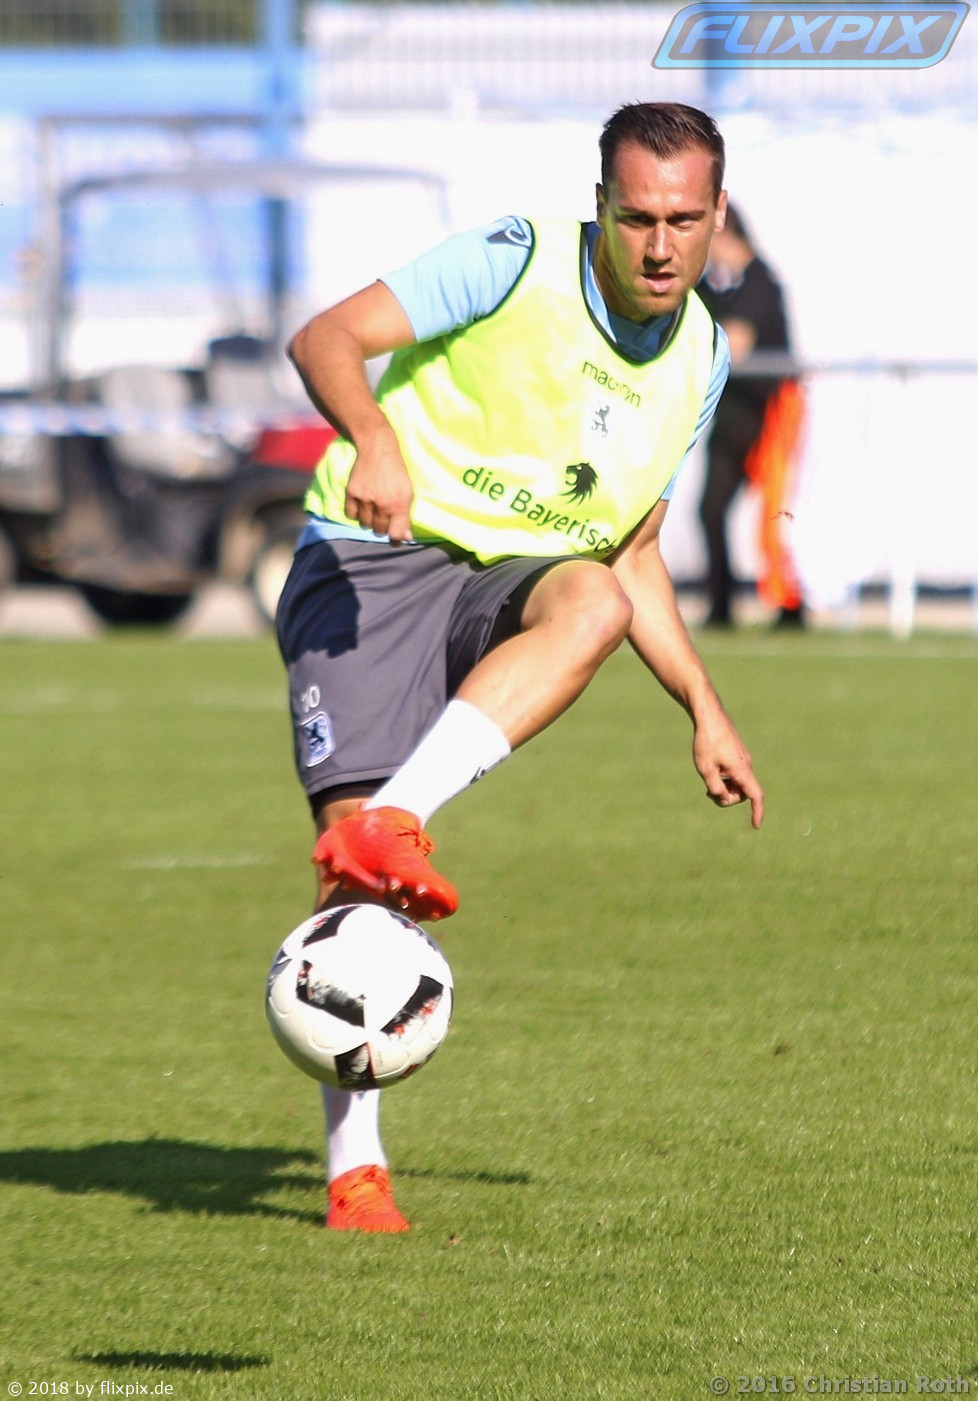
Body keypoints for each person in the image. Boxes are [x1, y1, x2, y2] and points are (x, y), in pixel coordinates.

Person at [278, 102, 764, 1234]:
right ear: (601, 206)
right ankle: (356, 1167)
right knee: (353, 890)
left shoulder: (702, 354)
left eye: (682, 220)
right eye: (636, 218)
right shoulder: (515, 258)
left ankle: (392, 817)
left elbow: (632, 550)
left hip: (510, 578)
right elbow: (325, 339)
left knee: (593, 595)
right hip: (374, 557)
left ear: (716, 216)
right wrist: (377, 438)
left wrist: (704, 705)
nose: (658, 246)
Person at [695, 204, 804, 628]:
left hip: (772, 411)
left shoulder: (760, 282)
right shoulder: (716, 289)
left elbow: (734, 344)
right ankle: (721, 606)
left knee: (775, 513)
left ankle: (791, 607)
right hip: (734, 413)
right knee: (710, 509)